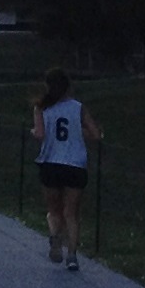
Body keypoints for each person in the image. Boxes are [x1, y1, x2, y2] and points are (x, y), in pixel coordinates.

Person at [32, 68, 96, 269]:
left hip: (51, 162)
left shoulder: (42, 108)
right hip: (75, 164)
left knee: (54, 209)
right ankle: (72, 256)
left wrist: (34, 131)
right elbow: (95, 134)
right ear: (68, 86)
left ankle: (54, 237)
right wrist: (80, 132)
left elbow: (41, 134)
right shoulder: (78, 108)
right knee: (72, 212)